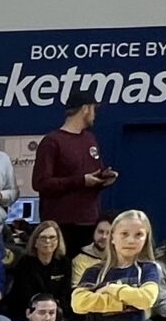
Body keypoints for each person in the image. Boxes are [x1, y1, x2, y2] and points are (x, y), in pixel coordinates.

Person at [32, 89, 114, 245]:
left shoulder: (90, 138)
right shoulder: (52, 141)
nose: (95, 114)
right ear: (85, 109)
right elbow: (40, 182)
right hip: (63, 224)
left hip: (90, 220)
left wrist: (103, 178)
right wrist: (81, 181)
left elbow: (93, 173)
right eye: (94, 109)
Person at [8, 220, 71, 314]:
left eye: (52, 237)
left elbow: (65, 293)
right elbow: (24, 295)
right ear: (35, 242)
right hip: (27, 311)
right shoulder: (25, 262)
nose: (48, 241)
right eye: (43, 237)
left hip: (56, 311)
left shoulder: (64, 262)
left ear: (58, 241)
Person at [68, 217, 112, 286]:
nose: (104, 236)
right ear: (94, 232)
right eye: (100, 232)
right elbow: (79, 289)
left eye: (108, 233)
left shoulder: (121, 256)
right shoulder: (79, 260)